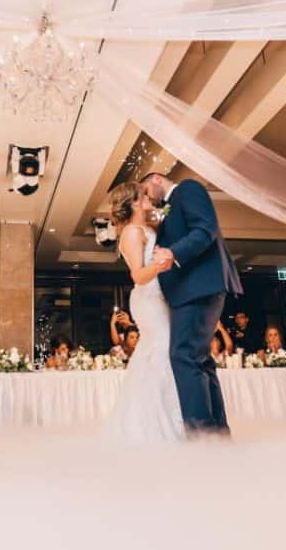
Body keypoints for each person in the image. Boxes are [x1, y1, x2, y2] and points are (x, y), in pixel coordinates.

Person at [140, 172, 242, 437]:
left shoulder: (188, 189)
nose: (147, 197)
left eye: (146, 190)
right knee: (200, 360)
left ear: (157, 179)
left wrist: (174, 253)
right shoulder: (167, 209)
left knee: (183, 355)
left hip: (198, 288)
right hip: (190, 291)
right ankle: (216, 434)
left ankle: (201, 435)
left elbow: (205, 228)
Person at [105, 181, 185, 442]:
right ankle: (151, 426)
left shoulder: (147, 227)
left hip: (160, 297)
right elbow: (138, 275)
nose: (150, 196)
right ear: (135, 202)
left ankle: (167, 417)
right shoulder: (130, 232)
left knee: (161, 353)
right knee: (160, 350)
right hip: (148, 299)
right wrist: (162, 265)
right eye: (144, 194)